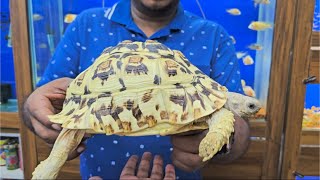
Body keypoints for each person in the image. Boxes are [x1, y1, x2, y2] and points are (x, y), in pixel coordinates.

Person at [23, 0, 250, 179]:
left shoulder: (213, 35)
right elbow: (45, 101)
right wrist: (34, 111)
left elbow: (236, 123)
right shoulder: (86, 25)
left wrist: (220, 145)